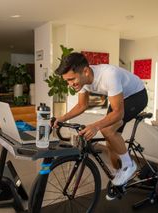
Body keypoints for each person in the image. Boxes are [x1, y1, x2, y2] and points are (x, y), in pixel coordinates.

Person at [53, 52, 148, 189]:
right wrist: (61, 118)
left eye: (71, 79)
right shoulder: (83, 80)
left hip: (137, 95)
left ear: (85, 71)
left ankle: (129, 165)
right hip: (119, 98)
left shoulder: (109, 75)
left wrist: (95, 126)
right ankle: (119, 173)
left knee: (107, 129)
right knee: (110, 141)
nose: (70, 84)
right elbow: (82, 105)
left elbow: (118, 113)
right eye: (67, 80)